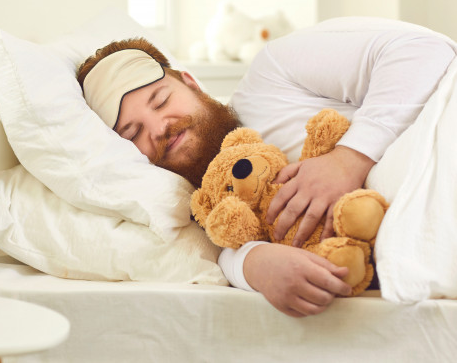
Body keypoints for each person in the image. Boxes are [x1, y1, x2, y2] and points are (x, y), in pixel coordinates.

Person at [76, 17, 455, 317]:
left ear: (191, 83)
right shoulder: (197, 202)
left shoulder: (273, 72)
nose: (159, 128)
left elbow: (425, 51)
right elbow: (223, 242)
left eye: (161, 101)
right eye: (133, 133)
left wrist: (348, 158)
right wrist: (252, 264)